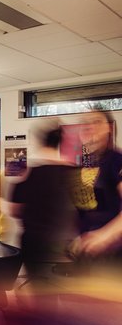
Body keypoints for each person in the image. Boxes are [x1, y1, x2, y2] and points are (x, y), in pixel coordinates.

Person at [10, 120, 77, 287]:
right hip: (66, 244)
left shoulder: (29, 175)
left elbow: (14, 210)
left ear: (40, 142)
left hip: (35, 244)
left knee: (41, 292)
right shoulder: (73, 173)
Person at [69, 106, 122, 257]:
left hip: (115, 256)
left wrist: (103, 236)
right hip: (90, 254)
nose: (89, 126)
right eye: (84, 123)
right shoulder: (86, 165)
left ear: (109, 128)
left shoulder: (117, 161)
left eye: (97, 121)